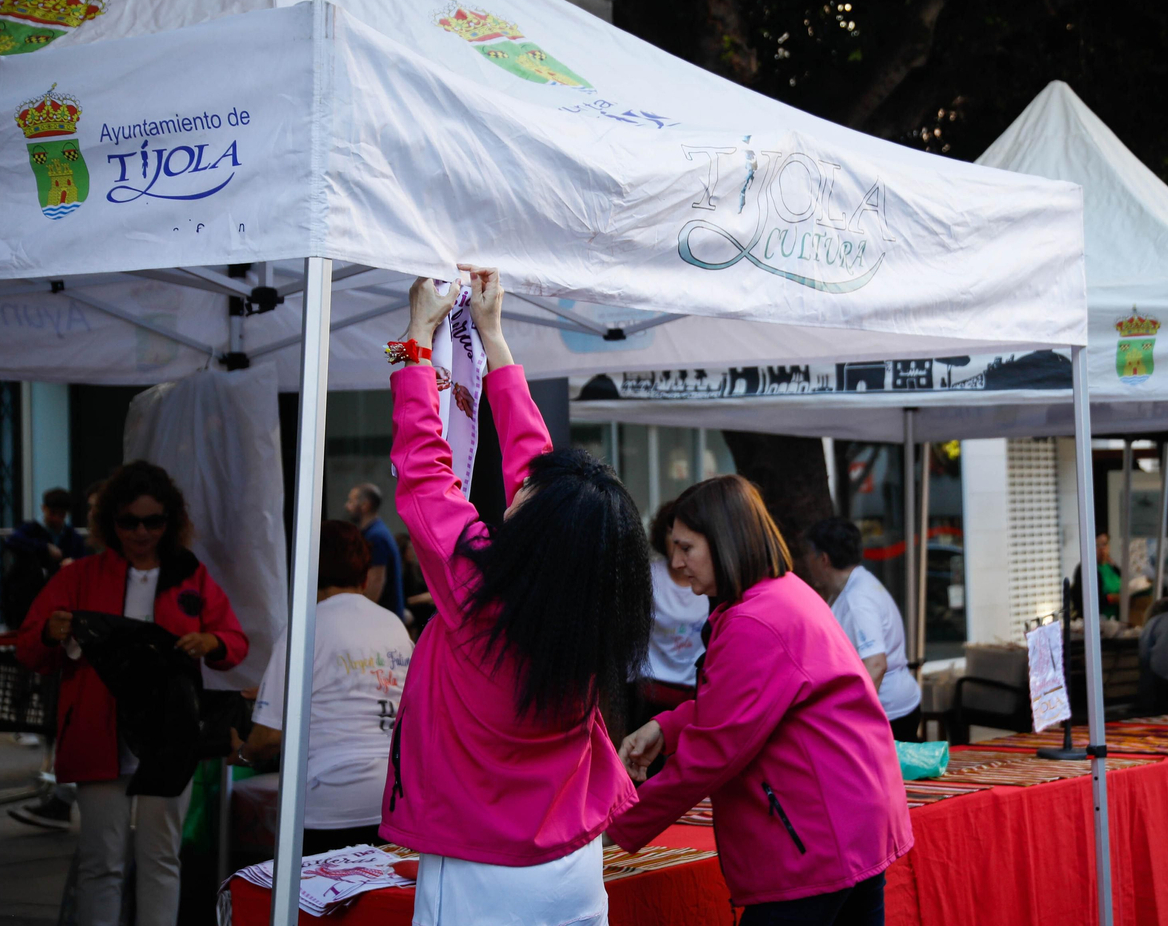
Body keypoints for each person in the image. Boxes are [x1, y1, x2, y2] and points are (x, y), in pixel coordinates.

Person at [381, 267, 653, 926]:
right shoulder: (592, 604)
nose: (520, 486)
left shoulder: (476, 588)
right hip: (576, 866)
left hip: (479, 872)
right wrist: (493, 338)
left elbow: (423, 470)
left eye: (529, 494)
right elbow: (535, 465)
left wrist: (415, 337)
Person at [608, 476, 912, 924]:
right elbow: (742, 701)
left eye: (686, 548)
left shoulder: (755, 618)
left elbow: (711, 754)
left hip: (817, 839)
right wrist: (664, 727)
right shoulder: (780, 592)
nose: (676, 561)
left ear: (725, 542)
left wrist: (615, 827)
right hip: (849, 824)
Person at [15, 461, 248, 926]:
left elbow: (234, 643)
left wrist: (212, 641)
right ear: (111, 522)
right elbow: (28, 648)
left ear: (169, 521)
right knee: (102, 862)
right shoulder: (79, 576)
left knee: (160, 858)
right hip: (98, 735)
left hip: (169, 738)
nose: (141, 532)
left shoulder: (191, 576)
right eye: (129, 521)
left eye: (153, 521)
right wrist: (48, 633)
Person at [230, 521, 413, 855]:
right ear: (364, 575)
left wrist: (241, 753)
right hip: (395, 797)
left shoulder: (306, 626)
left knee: (319, 889)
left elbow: (269, 737)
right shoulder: (394, 625)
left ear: (308, 571)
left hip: (331, 800)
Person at [805, 517, 924, 741]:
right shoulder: (853, 585)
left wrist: (853, 718)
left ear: (823, 559)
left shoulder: (857, 599)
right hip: (893, 707)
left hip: (889, 714)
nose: (806, 562)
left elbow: (876, 665)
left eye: (809, 554)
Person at [633, 501, 709, 731]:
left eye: (686, 542)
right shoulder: (646, 578)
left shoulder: (712, 584)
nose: (676, 543)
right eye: (670, 533)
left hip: (693, 692)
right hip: (646, 689)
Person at [2, 487, 89, 630]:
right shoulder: (30, 529)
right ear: (44, 509)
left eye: (61, 515)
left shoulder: (72, 537)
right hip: (30, 595)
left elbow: (83, 561)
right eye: (52, 513)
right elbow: (12, 541)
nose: (56, 519)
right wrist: (45, 547)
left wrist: (73, 564)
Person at [346, 483, 403, 620]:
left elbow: (375, 582)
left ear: (365, 505)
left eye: (351, 501)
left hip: (381, 622)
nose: (347, 506)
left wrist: (360, 618)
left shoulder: (376, 537)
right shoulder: (374, 533)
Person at [1071, 532, 1122, 620]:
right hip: (1096, 619)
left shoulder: (1113, 567)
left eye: (1104, 544)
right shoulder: (1085, 569)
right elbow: (1083, 600)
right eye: (1097, 545)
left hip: (1115, 619)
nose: (1102, 549)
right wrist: (1109, 599)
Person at [397, 532, 436, 637]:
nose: (412, 552)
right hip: (413, 611)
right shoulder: (401, 572)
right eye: (409, 549)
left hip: (424, 608)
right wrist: (426, 597)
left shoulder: (415, 569)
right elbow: (406, 600)